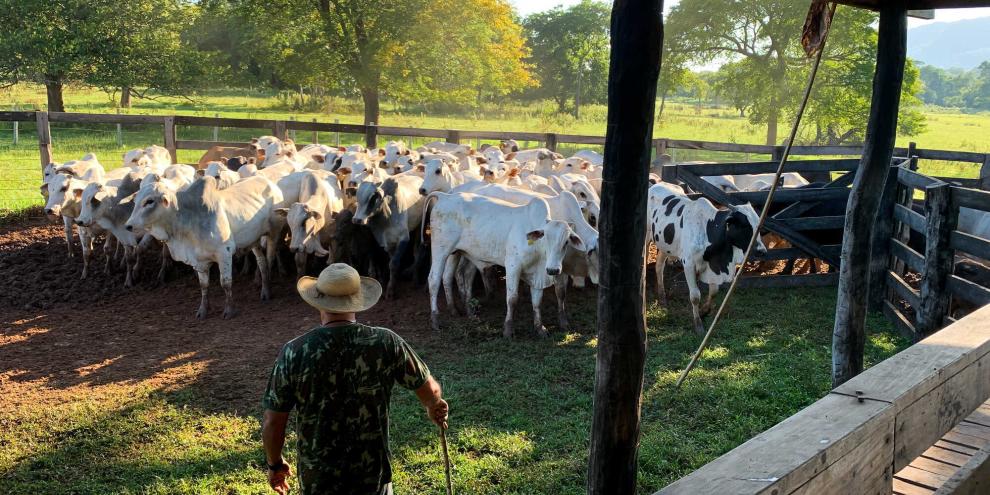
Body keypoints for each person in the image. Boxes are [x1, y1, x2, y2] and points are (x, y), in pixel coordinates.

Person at [261, 263, 449, 495]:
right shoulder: (386, 342)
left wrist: (275, 464)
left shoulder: (294, 351)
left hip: (318, 478)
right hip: (373, 475)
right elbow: (430, 390)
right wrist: (433, 405)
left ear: (317, 300)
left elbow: (273, 420)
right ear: (358, 299)